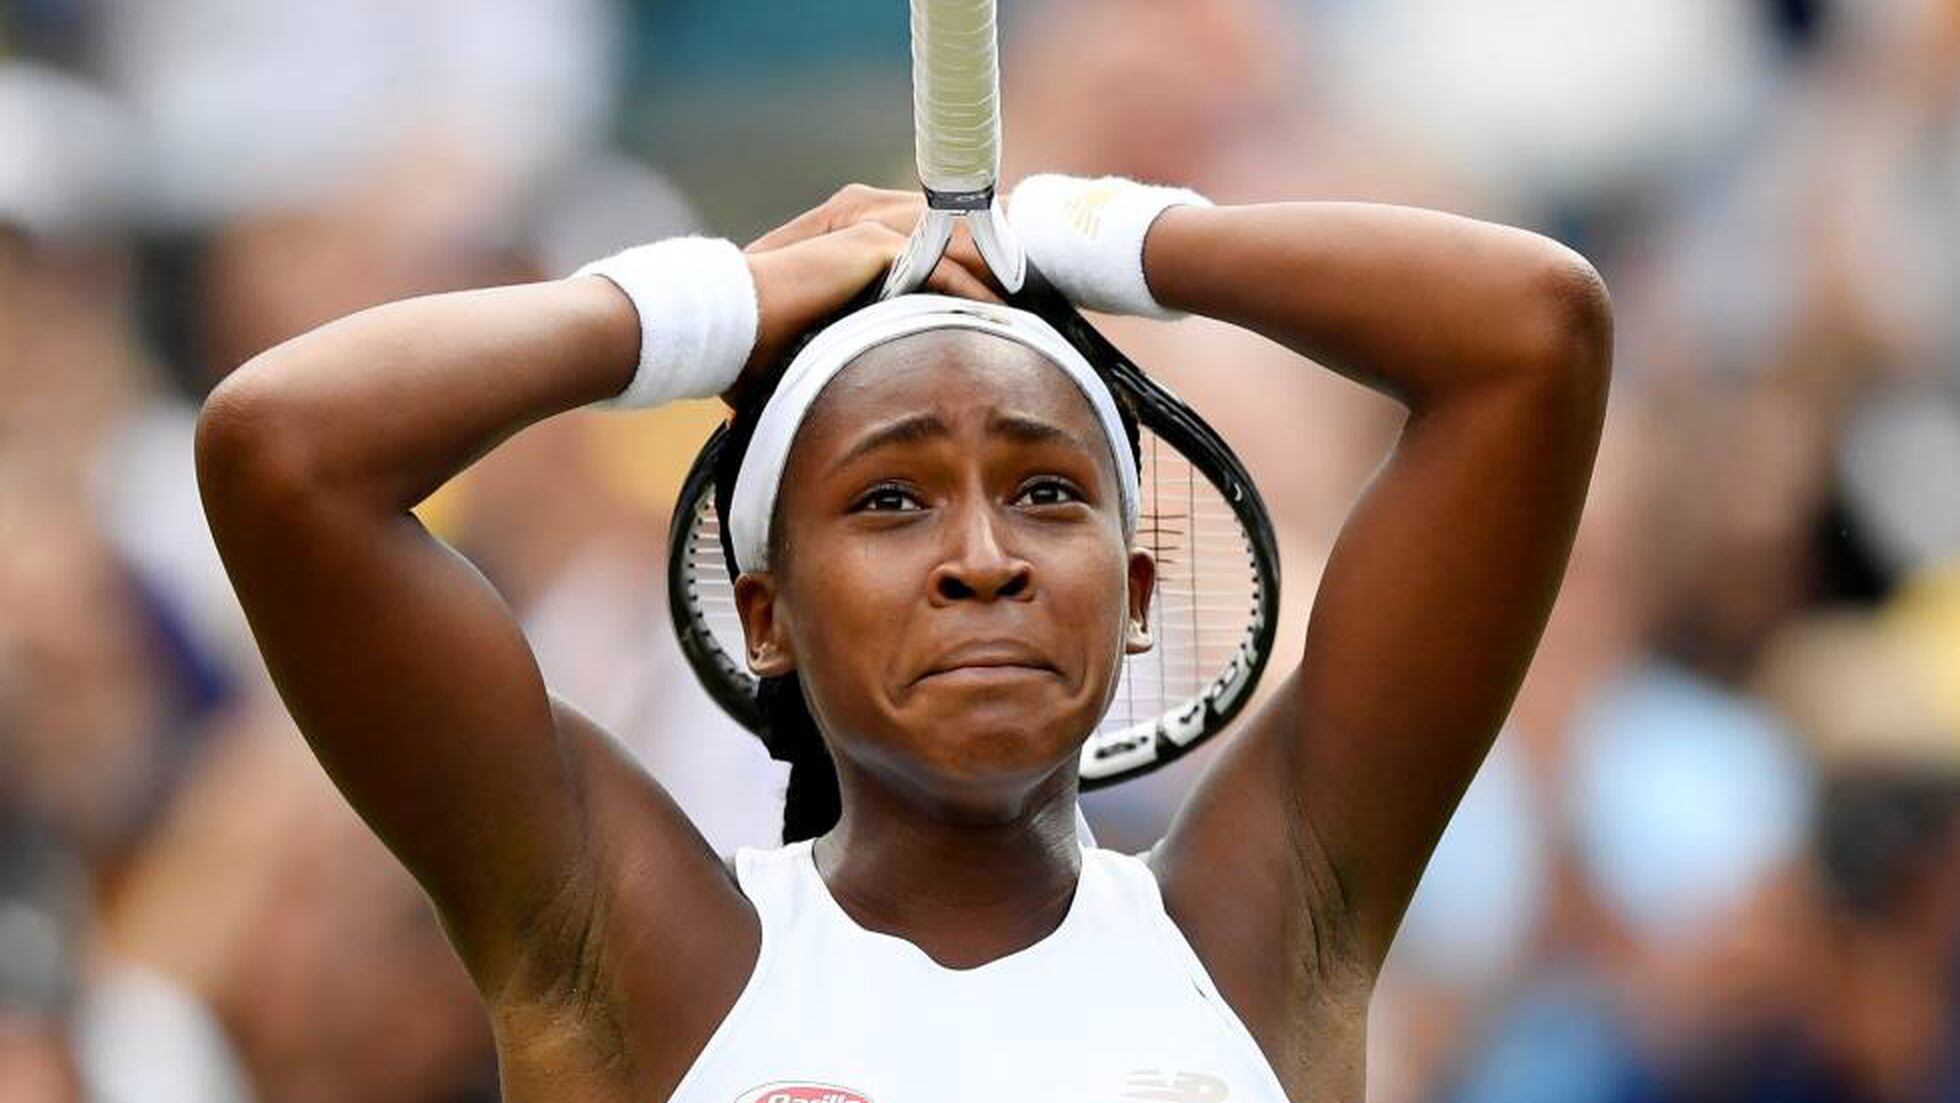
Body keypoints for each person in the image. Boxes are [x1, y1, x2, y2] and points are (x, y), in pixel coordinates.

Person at [195, 176, 1611, 1101]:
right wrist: (718, 306)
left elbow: (1534, 334)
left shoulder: (1268, 926)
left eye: (1047, 492)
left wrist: (1082, 232)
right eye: (891, 500)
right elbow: (284, 455)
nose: (984, 558)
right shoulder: (631, 955)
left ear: (1132, 593)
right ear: (766, 616)